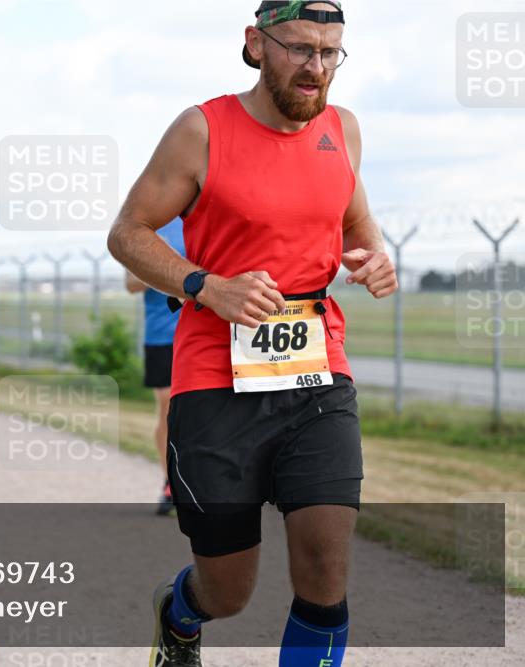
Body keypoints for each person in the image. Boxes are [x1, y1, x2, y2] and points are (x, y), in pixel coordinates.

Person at [106, 3, 399, 665]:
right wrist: (206, 284)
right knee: (227, 589)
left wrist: (374, 255)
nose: (315, 68)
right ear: (255, 45)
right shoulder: (201, 130)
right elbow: (127, 233)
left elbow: (356, 222)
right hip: (215, 377)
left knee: (326, 566)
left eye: (329, 53)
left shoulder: (343, 130)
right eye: (298, 49)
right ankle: (180, 613)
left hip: (318, 370)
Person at [125, 217, 185, 516]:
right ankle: (170, 481)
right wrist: (164, 265)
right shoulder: (149, 222)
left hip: (202, 330)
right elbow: (130, 283)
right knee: (168, 404)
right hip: (161, 334)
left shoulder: (205, 214)